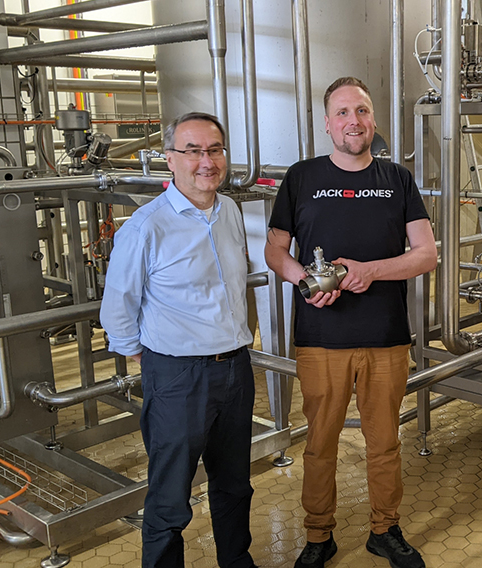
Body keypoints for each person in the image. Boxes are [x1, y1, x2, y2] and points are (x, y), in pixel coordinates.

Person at [264, 77, 437, 568]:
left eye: (361, 111)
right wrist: (304, 281)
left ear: (374, 119)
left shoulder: (397, 179)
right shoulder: (300, 177)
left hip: (384, 338)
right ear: (327, 123)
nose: (353, 122)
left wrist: (370, 272)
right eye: (342, 113)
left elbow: (427, 255)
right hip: (320, 339)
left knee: (384, 442)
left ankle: (385, 528)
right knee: (320, 445)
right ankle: (319, 535)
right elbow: (275, 249)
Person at [100, 112, 258, 568]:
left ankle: (237, 562)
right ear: (170, 159)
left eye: (215, 150)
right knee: (170, 497)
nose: (206, 161)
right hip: (178, 375)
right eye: (193, 151)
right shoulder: (145, 227)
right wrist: (155, 361)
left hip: (235, 367)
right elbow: (118, 307)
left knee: (234, 483)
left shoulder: (228, 210)